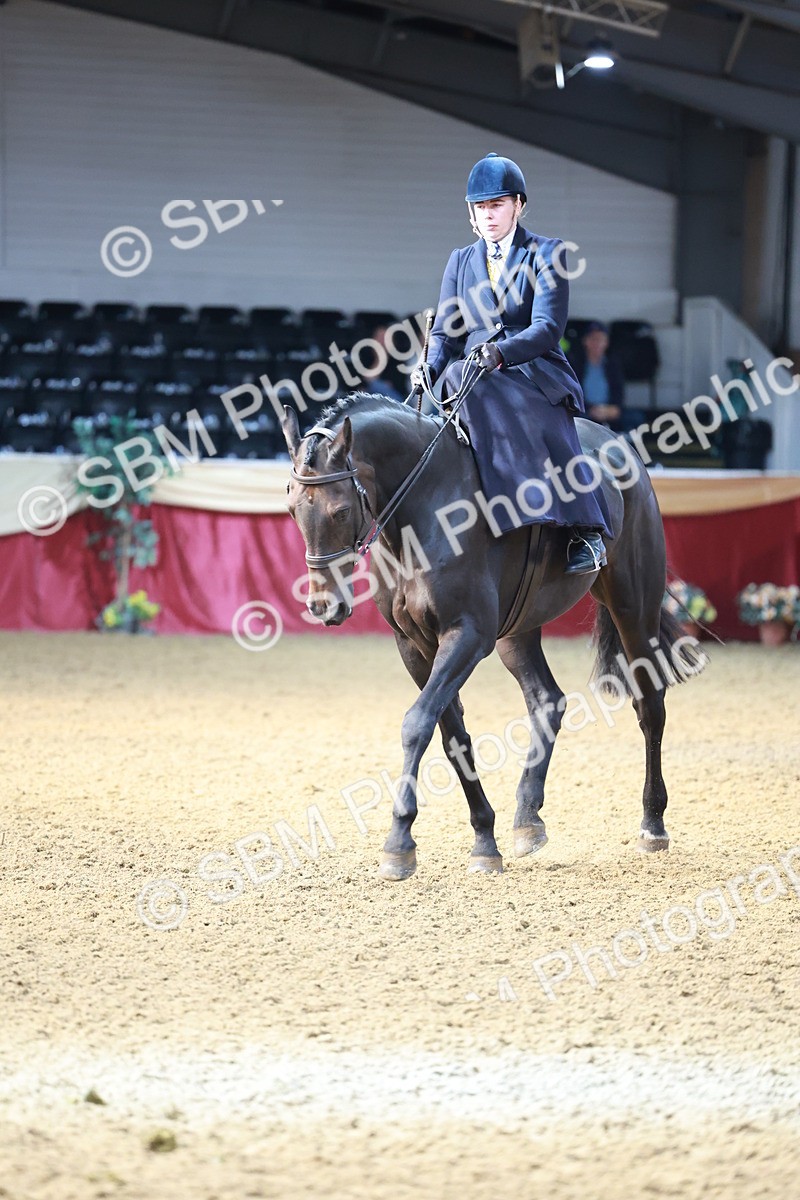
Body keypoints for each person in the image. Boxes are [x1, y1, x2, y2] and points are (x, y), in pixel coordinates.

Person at [411, 152, 611, 575]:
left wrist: (503, 353)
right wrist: (427, 366)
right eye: (481, 207)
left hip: (530, 366)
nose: (488, 215)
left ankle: (585, 531)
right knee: (427, 414)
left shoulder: (546, 252)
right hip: (471, 368)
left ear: (518, 204)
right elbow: (446, 332)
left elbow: (547, 327)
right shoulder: (460, 261)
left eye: (497, 205)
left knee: (537, 416)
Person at [569, 320, 628, 430]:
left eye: (601, 339)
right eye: (593, 339)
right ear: (585, 341)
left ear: (606, 342)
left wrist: (613, 409)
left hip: (608, 411)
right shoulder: (575, 365)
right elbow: (572, 394)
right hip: (585, 412)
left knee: (634, 418)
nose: (597, 343)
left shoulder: (613, 365)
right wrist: (590, 409)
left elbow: (618, 392)